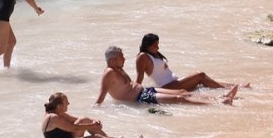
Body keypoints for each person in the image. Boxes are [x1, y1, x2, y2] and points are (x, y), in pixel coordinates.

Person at [96, 46, 238, 106]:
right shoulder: (109, 73)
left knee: (182, 92)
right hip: (140, 98)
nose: (125, 59)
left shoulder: (118, 69)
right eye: (122, 57)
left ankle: (220, 98)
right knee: (179, 98)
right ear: (112, 60)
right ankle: (220, 103)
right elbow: (100, 98)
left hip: (145, 91)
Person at [135, 33, 248, 91]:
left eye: (158, 45)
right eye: (155, 45)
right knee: (201, 75)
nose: (158, 48)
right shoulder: (143, 56)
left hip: (174, 83)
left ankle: (236, 86)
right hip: (167, 87)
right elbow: (139, 77)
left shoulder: (153, 54)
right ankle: (226, 90)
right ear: (147, 45)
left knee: (205, 80)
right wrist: (135, 92)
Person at [42, 92, 124, 138]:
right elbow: (74, 128)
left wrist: (94, 122)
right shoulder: (53, 118)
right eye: (66, 102)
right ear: (59, 106)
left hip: (68, 137)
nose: (68, 103)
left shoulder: (56, 111)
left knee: (84, 119)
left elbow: (76, 120)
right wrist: (92, 126)